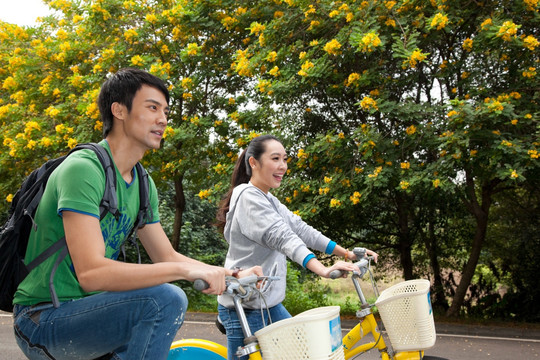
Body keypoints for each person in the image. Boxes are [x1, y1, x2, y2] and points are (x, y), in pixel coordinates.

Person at [12, 68, 262, 360]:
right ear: (119, 110)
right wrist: (183, 272)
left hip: (94, 313)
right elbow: (91, 274)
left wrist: (230, 273)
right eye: (152, 107)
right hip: (44, 319)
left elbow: (166, 257)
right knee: (163, 300)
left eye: (165, 111)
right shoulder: (83, 169)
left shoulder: (142, 184)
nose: (163, 119)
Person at [215, 134, 379, 360]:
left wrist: (347, 253)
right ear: (253, 162)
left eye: (284, 159)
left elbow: (300, 230)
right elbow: (284, 238)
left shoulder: (267, 198)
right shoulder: (248, 198)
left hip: (268, 304)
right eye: (275, 159)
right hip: (243, 306)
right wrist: (322, 269)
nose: (282, 166)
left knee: (305, 355)